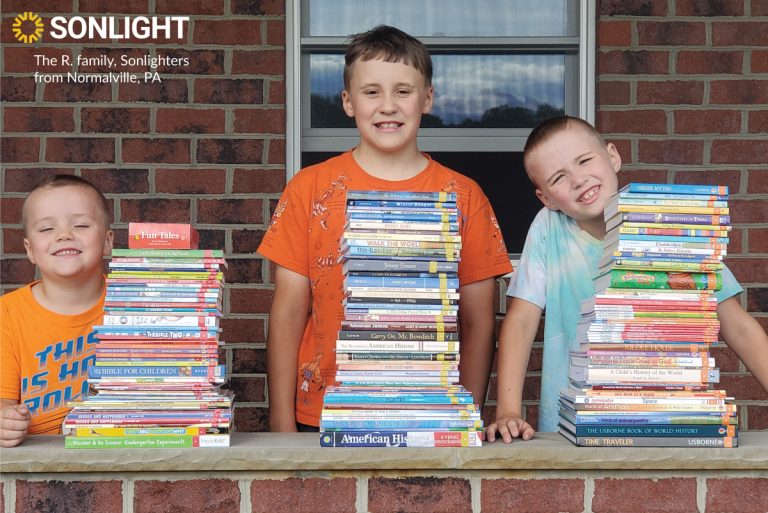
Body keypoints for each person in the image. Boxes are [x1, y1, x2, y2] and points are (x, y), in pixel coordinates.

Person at [258, 25, 512, 431]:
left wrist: (468, 416)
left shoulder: (464, 196)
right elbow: (288, 313)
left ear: (427, 98)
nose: (387, 106)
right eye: (372, 92)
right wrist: (281, 423)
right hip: (321, 412)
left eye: (403, 91)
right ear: (348, 101)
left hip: (432, 411)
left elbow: (479, 321)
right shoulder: (309, 188)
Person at [486, 115, 768, 442]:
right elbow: (521, 321)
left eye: (585, 160)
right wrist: (508, 409)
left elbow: (738, 325)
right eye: (559, 177)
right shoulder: (549, 227)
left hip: (663, 416)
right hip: (573, 426)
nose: (578, 180)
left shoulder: (668, 224)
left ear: (613, 157)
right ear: (546, 198)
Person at [1, 175, 113, 447]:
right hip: (38, 461)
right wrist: (5, 420)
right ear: (30, 250)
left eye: (81, 224)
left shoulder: (135, 304)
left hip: (120, 451)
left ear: (108, 241)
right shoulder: (7, 314)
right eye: (46, 228)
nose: (64, 234)